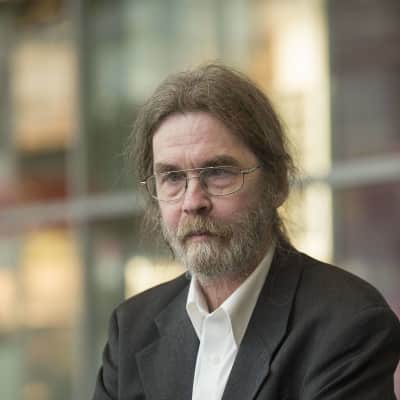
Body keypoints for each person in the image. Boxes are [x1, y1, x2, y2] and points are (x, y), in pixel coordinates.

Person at [92, 64, 400, 400]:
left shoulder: (349, 324)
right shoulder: (131, 329)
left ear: (277, 183)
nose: (193, 202)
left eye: (218, 172)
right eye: (173, 178)